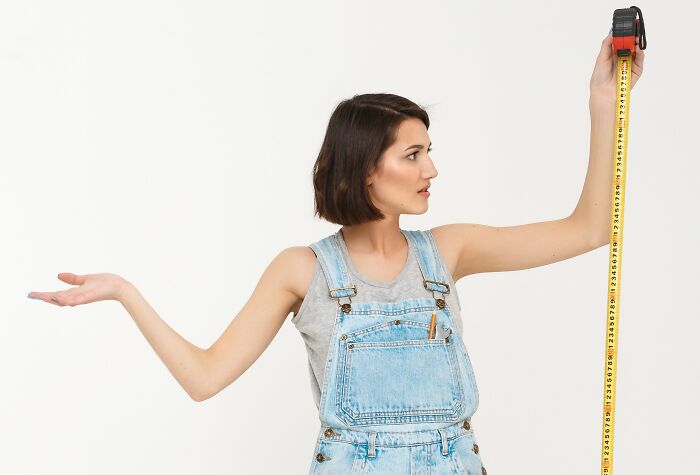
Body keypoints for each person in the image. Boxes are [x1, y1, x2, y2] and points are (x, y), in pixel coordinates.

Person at [27, 33, 644, 474]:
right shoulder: (303, 270)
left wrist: (604, 102)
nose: (431, 169)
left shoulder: (449, 251)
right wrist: (127, 294)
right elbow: (204, 378)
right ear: (366, 169)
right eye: (413, 155)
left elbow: (590, 229)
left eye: (429, 151)